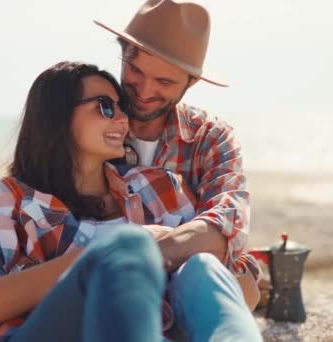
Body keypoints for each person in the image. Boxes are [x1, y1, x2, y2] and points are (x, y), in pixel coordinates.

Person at [0, 61, 260, 341]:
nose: (122, 119)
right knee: (130, 245)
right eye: (105, 106)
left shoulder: (157, 187)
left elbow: (240, 282)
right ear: (58, 116)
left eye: (121, 108)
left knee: (203, 269)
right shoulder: (12, 199)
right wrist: (93, 261)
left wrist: (211, 274)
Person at [93, 0, 261, 339]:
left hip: (185, 288)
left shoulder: (211, 137)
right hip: (110, 303)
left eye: (164, 81)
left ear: (191, 81)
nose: (144, 91)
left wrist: (141, 258)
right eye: (135, 70)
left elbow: (228, 225)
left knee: (207, 270)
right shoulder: (88, 123)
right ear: (123, 53)